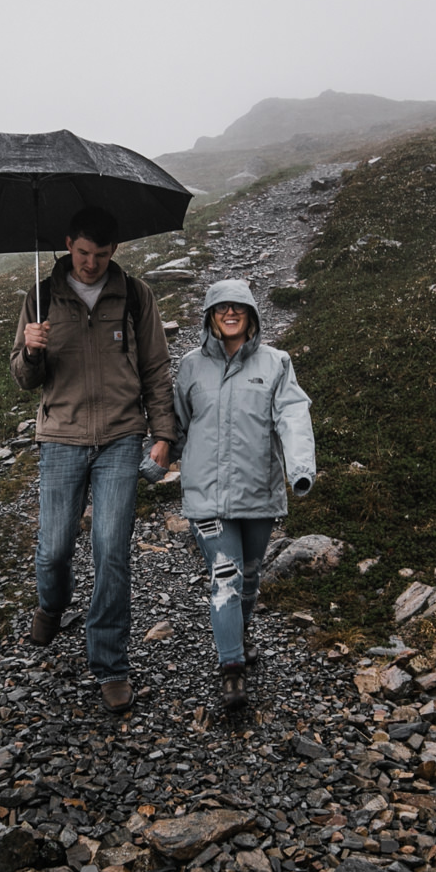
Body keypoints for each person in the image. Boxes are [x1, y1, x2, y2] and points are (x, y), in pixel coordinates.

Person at [10, 206, 176, 713]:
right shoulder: (39, 297)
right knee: (55, 548)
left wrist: (164, 434)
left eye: (101, 255)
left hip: (122, 437)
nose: (90, 264)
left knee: (111, 550)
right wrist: (32, 351)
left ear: (114, 251)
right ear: (67, 244)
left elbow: (155, 367)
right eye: (83, 253)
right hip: (60, 436)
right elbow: (22, 378)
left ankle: (110, 666)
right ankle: (52, 604)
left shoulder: (134, 294)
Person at [169, 279, 316, 707]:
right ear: (209, 316)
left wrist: (301, 469)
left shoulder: (276, 364)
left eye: (238, 307)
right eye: (220, 308)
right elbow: (176, 423)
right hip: (207, 496)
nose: (229, 314)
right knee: (226, 577)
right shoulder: (191, 366)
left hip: (258, 492)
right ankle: (231, 668)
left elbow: (293, 416)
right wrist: (155, 460)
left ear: (251, 314)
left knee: (249, 577)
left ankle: (238, 631)